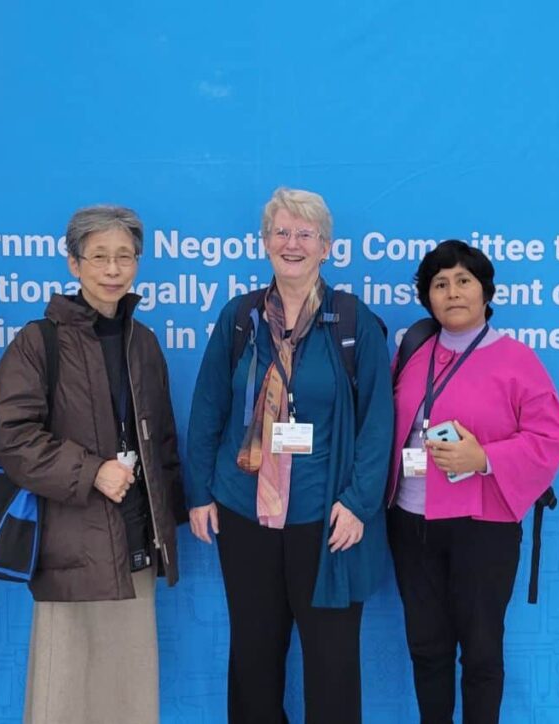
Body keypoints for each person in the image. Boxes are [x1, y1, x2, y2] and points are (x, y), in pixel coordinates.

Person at [186, 187, 393, 724]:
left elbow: (378, 423)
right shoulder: (241, 318)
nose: (292, 243)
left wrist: (360, 503)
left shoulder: (352, 322)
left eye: (305, 234)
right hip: (243, 508)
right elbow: (209, 406)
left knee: (332, 664)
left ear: (326, 247)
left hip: (325, 518)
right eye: (282, 232)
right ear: (264, 242)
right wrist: (199, 493)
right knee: (253, 657)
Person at [0, 204, 184, 724]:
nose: (113, 268)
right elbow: (13, 435)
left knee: (130, 691)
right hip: (71, 541)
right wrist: (92, 469)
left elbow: (161, 443)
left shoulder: (143, 343)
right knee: (64, 693)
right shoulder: (40, 340)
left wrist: (170, 525)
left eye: (124, 256)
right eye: (99, 256)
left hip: (135, 538)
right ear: (74, 264)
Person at [387, 239, 559, 723]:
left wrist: (484, 456)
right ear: (427, 297)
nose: (452, 292)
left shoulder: (516, 360)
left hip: (482, 526)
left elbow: (550, 437)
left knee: (482, 653)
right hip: (411, 522)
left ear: (485, 292)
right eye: (440, 284)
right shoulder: (412, 355)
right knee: (426, 648)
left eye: (464, 281)